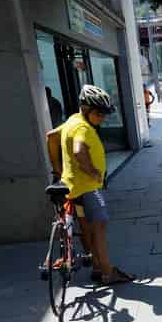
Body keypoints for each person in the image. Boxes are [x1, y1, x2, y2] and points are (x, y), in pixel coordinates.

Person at [46, 84, 134, 285]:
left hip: (71, 186)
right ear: (86, 109)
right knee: (100, 226)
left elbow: (51, 137)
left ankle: (96, 265)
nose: (103, 118)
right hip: (87, 188)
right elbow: (78, 151)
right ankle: (107, 272)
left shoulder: (72, 121)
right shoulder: (83, 128)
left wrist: (57, 168)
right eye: (100, 113)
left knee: (87, 228)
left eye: (105, 113)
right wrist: (94, 172)